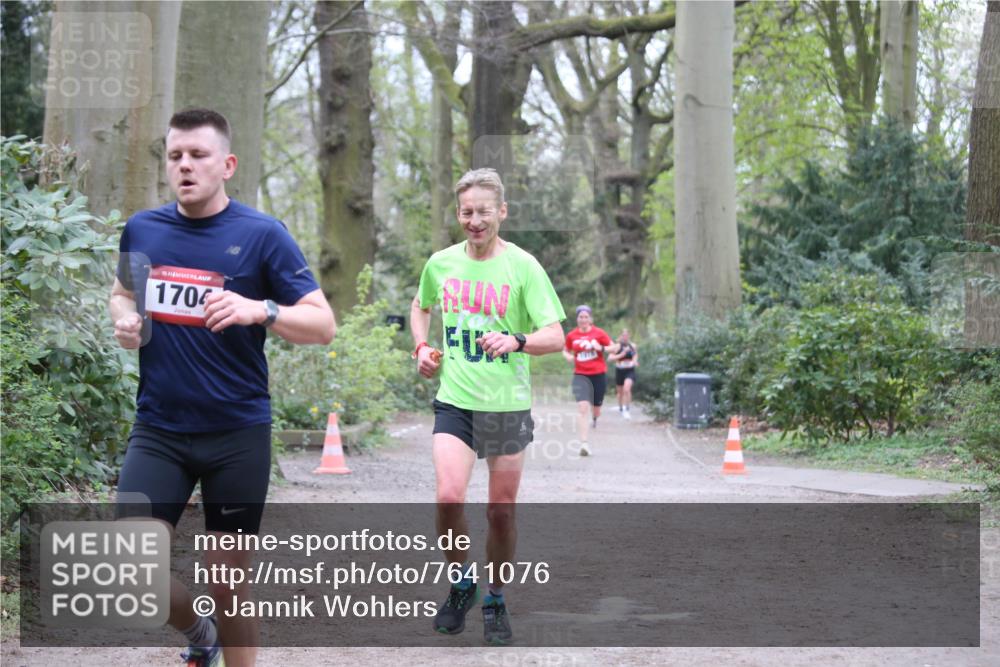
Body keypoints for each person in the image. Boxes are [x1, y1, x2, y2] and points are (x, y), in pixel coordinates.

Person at [110, 108, 335, 667]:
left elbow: (322, 324)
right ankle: (199, 636)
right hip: (159, 428)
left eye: (198, 155)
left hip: (237, 434)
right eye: (175, 156)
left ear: (227, 164)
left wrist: (260, 308)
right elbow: (121, 292)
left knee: (230, 585)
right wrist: (124, 321)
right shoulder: (143, 229)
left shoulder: (262, 236)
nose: (184, 166)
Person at [410, 168, 565, 645]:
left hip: (505, 407)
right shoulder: (441, 263)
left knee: (500, 511)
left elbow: (555, 336)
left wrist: (517, 340)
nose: (474, 221)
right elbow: (422, 305)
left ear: (502, 212)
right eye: (466, 212)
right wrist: (421, 347)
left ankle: (495, 597)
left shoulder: (523, 267)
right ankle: (462, 584)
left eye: (483, 212)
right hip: (455, 402)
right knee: (448, 497)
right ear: (458, 214)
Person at [562, 305, 618, 456]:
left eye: (586, 317)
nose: (583, 319)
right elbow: (565, 349)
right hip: (580, 375)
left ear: (590, 319)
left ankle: (595, 417)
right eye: (581, 317)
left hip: (598, 374)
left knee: (596, 407)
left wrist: (600, 348)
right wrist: (568, 356)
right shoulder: (572, 335)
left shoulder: (599, 333)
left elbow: (614, 348)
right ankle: (584, 444)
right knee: (582, 408)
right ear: (577, 319)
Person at [608, 328, 639, 419]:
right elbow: (610, 358)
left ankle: (627, 408)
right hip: (620, 371)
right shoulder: (617, 346)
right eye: (623, 335)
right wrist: (621, 355)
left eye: (627, 335)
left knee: (627, 389)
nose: (625, 337)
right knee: (620, 392)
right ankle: (621, 407)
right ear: (621, 336)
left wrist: (634, 361)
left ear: (629, 336)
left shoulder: (633, 345)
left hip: (630, 370)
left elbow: (635, 355)